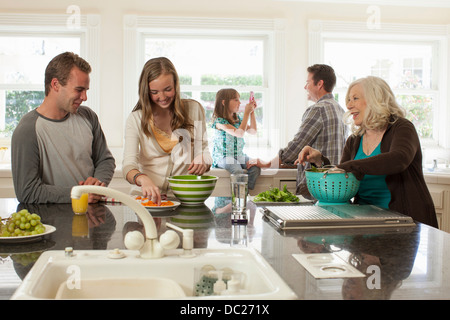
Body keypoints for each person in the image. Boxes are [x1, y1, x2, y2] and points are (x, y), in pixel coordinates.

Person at [297, 76, 438, 227]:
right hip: (364, 221)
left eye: (355, 98)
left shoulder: (402, 127)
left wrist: (351, 166)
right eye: (348, 100)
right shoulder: (354, 140)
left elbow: (399, 159)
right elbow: (344, 178)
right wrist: (320, 161)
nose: (349, 105)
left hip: (404, 222)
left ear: (375, 100)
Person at [11, 52, 115, 204]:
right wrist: (78, 194)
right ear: (55, 85)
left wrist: (97, 184)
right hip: (52, 222)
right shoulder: (27, 130)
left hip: (93, 217)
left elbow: (105, 160)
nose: (85, 97)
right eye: (79, 90)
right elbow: (27, 192)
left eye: (86, 90)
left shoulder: (88, 116)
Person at [249, 64, 348, 198]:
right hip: (337, 187)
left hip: (316, 186)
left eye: (308, 82)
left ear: (319, 84)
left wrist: (267, 163)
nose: (305, 87)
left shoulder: (318, 109)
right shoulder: (340, 110)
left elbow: (297, 146)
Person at [123, 57, 212, 205]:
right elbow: (128, 166)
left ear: (176, 85)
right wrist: (143, 178)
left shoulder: (194, 109)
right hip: (146, 200)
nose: (162, 97)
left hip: (184, 200)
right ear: (146, 91)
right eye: (154, 92)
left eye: (168, 89)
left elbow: (205, 153)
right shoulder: (136, 119)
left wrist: (203, 159)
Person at [211, 88, 260, 190]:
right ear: (224, 102)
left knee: (255, 167)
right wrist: (246, 113)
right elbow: (239, 133)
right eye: (236, 100)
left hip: (238, 156)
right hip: (223, 157)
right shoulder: (219, 122)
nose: (240, 102)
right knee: (237, 170)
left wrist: (251, 112)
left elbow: (253, 131)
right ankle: (240, 196)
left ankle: (245, 193)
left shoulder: (238, 120)